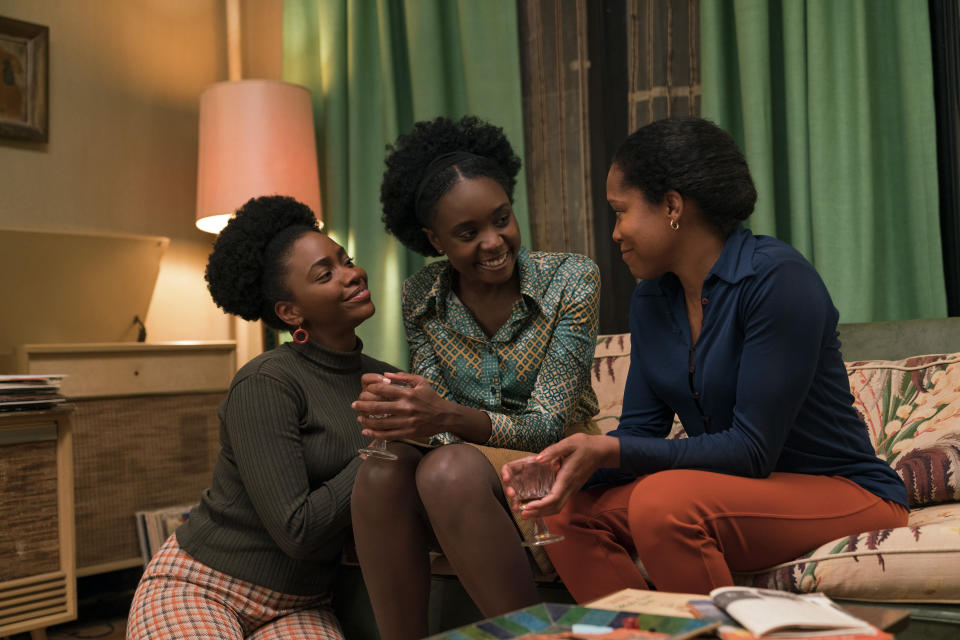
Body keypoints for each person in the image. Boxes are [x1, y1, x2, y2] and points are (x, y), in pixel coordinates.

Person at [503, 116, 909, 602]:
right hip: (736, 492)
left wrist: (608, 451)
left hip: (842, 490)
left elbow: (752, 450)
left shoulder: (777, 279)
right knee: (562, 511)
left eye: (621, 211)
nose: (615, 233)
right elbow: (638, 434)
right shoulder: (652, 299)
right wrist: (561, 466)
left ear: (672, 206)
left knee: (662, 503)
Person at [349, 115, 601, 640]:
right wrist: (402, 415)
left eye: (501, 218)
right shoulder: (422, 294)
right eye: (467, 233)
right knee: (379, 467)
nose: (493, 242)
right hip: (462, 453)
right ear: (433, 239)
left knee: (448, 471)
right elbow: (433, 408)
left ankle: (535, 637)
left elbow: (551, 423)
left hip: (558, 456)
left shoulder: (571, 278)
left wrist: (444, 417)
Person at [126, 196, 397, 639]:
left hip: (302, 604)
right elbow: (298, 531)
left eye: (345, 261)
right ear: (291, 313)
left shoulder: (386, 381)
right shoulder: (267, 382)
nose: (352, 275)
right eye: (325, 274)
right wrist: (383, 446)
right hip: (202, 585)